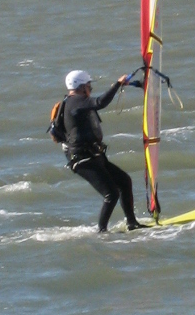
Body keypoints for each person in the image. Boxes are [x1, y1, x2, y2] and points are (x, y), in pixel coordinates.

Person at [52, 68, 142, 232]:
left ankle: (132, 223)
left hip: (94, 156)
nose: (90, 90)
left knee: (124, 181)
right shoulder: (75, 101)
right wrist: (117, 84)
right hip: (83, 159)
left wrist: (135, 84)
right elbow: (100, 102)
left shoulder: (79, 101)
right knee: (111, 194)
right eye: (89, 86)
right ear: (81, 86)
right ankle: (102, 231)